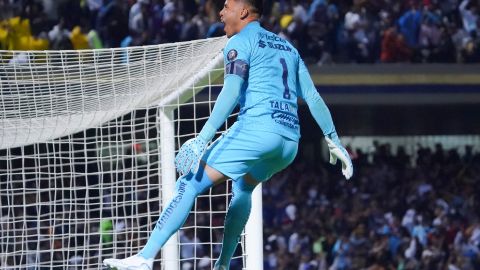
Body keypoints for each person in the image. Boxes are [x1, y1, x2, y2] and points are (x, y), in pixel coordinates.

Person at [103, 0, 353, 269]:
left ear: (243, 11)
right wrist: (333, 139)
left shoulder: (240, 42)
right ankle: (223, 264)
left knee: (189, 183)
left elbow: (232, 92)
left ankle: (145, 257)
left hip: (258, 129)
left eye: (226, 6)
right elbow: (313, 97)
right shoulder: (289, 48)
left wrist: (202, 138)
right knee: (243, 186)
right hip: (289, 143)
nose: (221, 13)